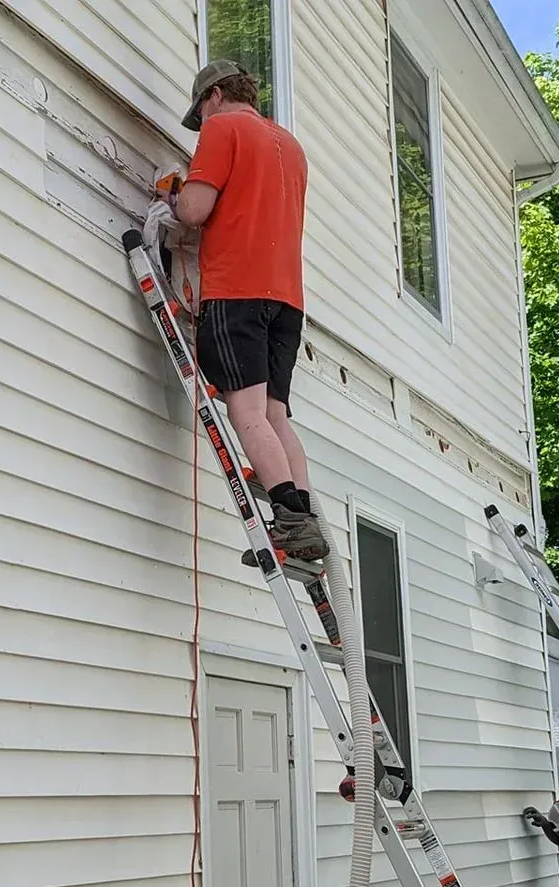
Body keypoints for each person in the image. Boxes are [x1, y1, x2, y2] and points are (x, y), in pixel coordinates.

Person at [173, 59, 327, 562]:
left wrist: (174, 192)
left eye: (200, 113)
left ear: (214, 96)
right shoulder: (291, 146)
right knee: (274, 414)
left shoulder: (223, 129)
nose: (202, 124)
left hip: (238, 290)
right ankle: (303, 513)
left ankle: (290, 517)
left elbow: (195, 210)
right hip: (286, 301)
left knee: (244, 411)